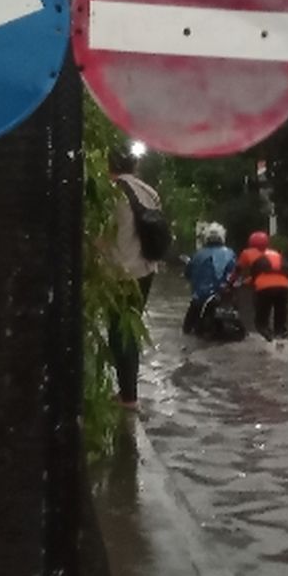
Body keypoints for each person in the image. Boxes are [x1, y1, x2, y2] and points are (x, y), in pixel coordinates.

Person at [107, 144, 163, 409]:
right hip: (146, 270)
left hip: (120, 271)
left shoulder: (112, 192)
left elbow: (101, 236)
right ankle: (128, 392)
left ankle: (128, 397)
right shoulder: (148, 191)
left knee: (120, 333)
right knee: (129, 328)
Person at [182, 223, 236, 334]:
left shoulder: (198, 254)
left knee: (187, 329)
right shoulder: (230, 253)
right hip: (224, 297)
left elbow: (188, 273)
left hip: (201, 298)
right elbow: (235, 274)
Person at [249, 244, 288, 341]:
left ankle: (267, 335)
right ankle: (280, 338)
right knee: (280, 321)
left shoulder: (258, 259)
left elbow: (253, 277)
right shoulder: (283, 259)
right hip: (283, 288)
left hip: (264, 289)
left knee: (261, 322)